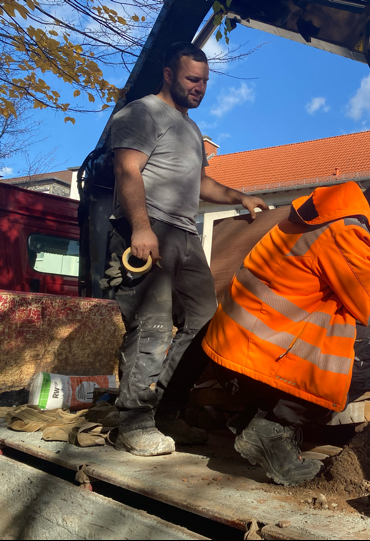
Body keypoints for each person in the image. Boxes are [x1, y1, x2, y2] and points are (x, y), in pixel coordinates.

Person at [200, 176, 370, 486]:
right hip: (252, 359)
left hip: (240, 348)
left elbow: (353, 301)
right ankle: (272, 430)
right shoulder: (348, 234)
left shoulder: (330, 213)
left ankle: (254, 417)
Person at [107, 42, 268, 456]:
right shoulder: (141, 113)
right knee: (153, 324)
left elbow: (199, 184)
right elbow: (127, 168)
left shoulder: (192, 130)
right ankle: (133, 422)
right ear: (168, 74)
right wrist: (141, 228)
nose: (199, 87)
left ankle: (166, 411)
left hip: (185, 234)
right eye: (192, 79)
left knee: (206, 321)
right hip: (147, 228)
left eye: (204, 81)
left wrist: (239, 196)